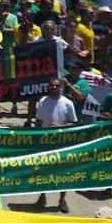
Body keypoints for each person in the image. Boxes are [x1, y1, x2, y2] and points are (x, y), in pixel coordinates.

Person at [34, 76, 77, 212]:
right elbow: (39, 121)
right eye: (52, 85)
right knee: (44, 171)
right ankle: (42, 195)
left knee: (62, 172)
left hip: (62, 143)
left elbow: (74, 123)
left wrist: (60, 127)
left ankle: (62, 199)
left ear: (61, 87)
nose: (54, 88)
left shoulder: (68, 103)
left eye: (57, 85)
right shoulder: (42, 101)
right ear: (48, 87)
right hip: (45, 143)